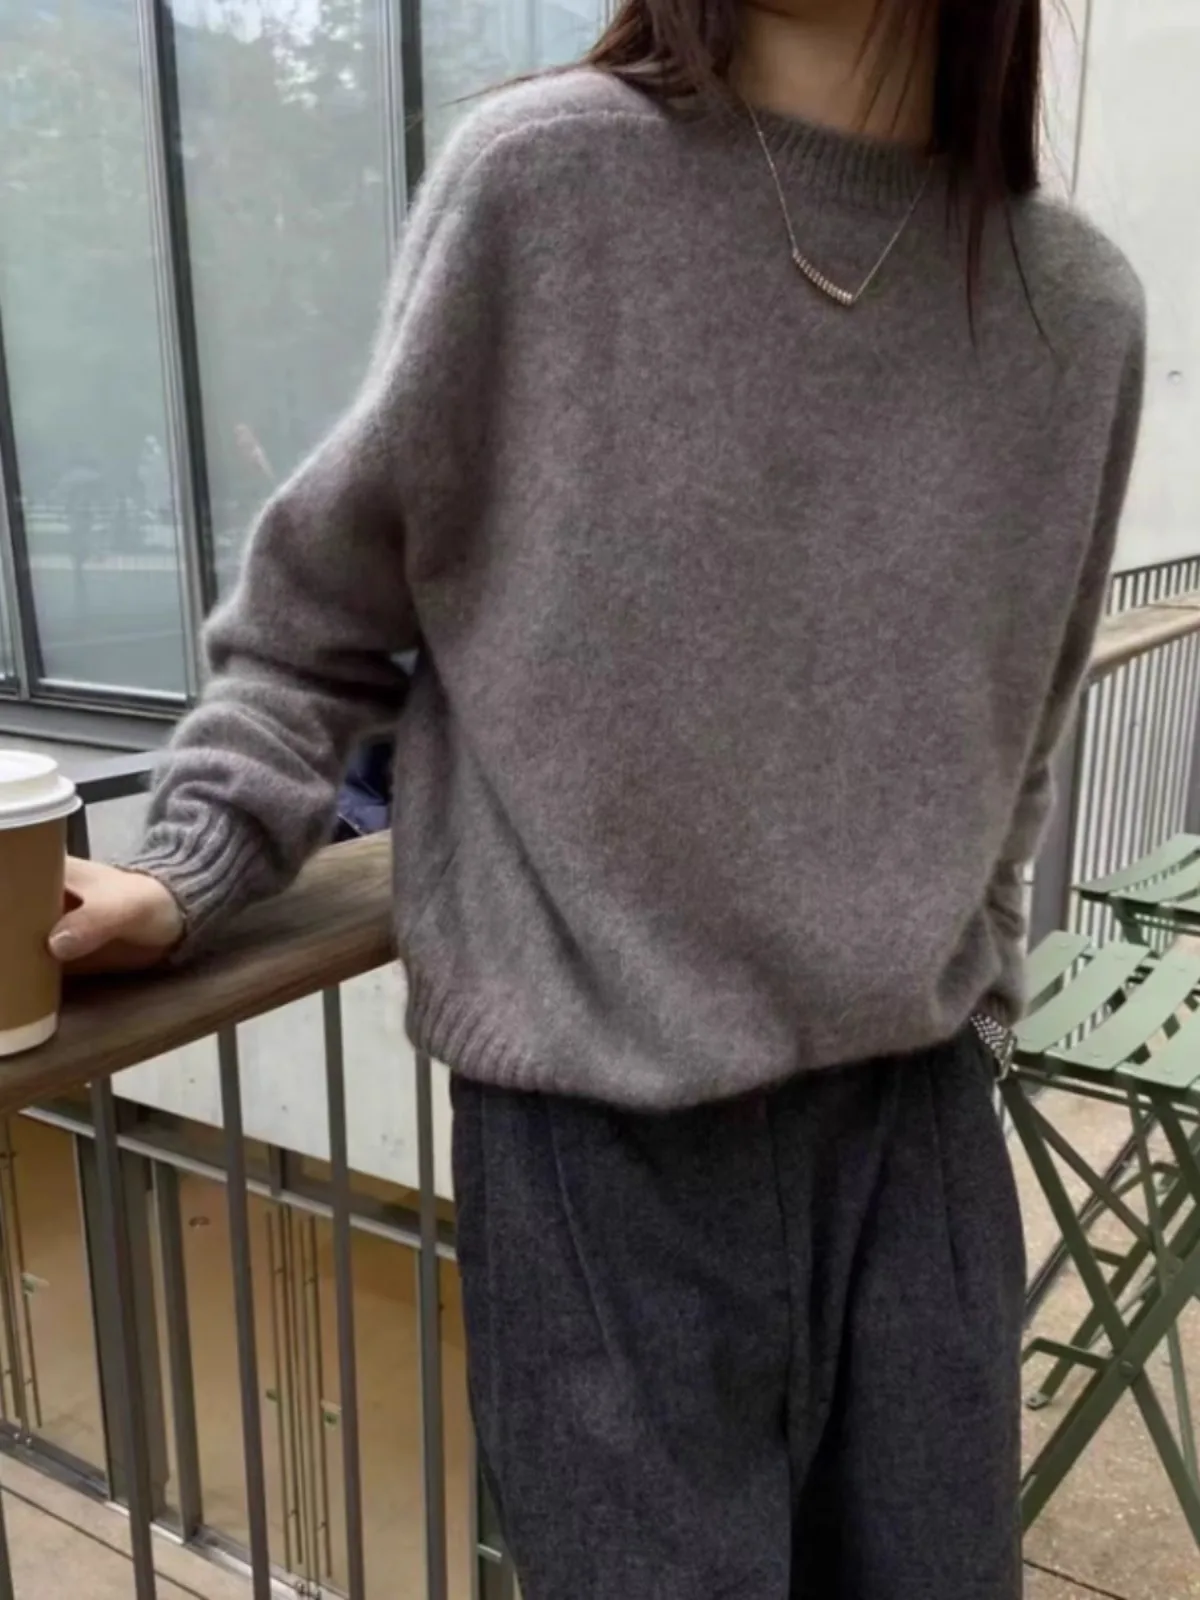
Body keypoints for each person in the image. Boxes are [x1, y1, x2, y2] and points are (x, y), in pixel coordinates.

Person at [50, 0, 1145, 1594]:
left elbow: (1020, 740)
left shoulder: (1078, 312)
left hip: (918, 1146)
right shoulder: (545, 189)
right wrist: (196, 860)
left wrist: (968, 1011)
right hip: (596, 1160)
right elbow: (322, 616)